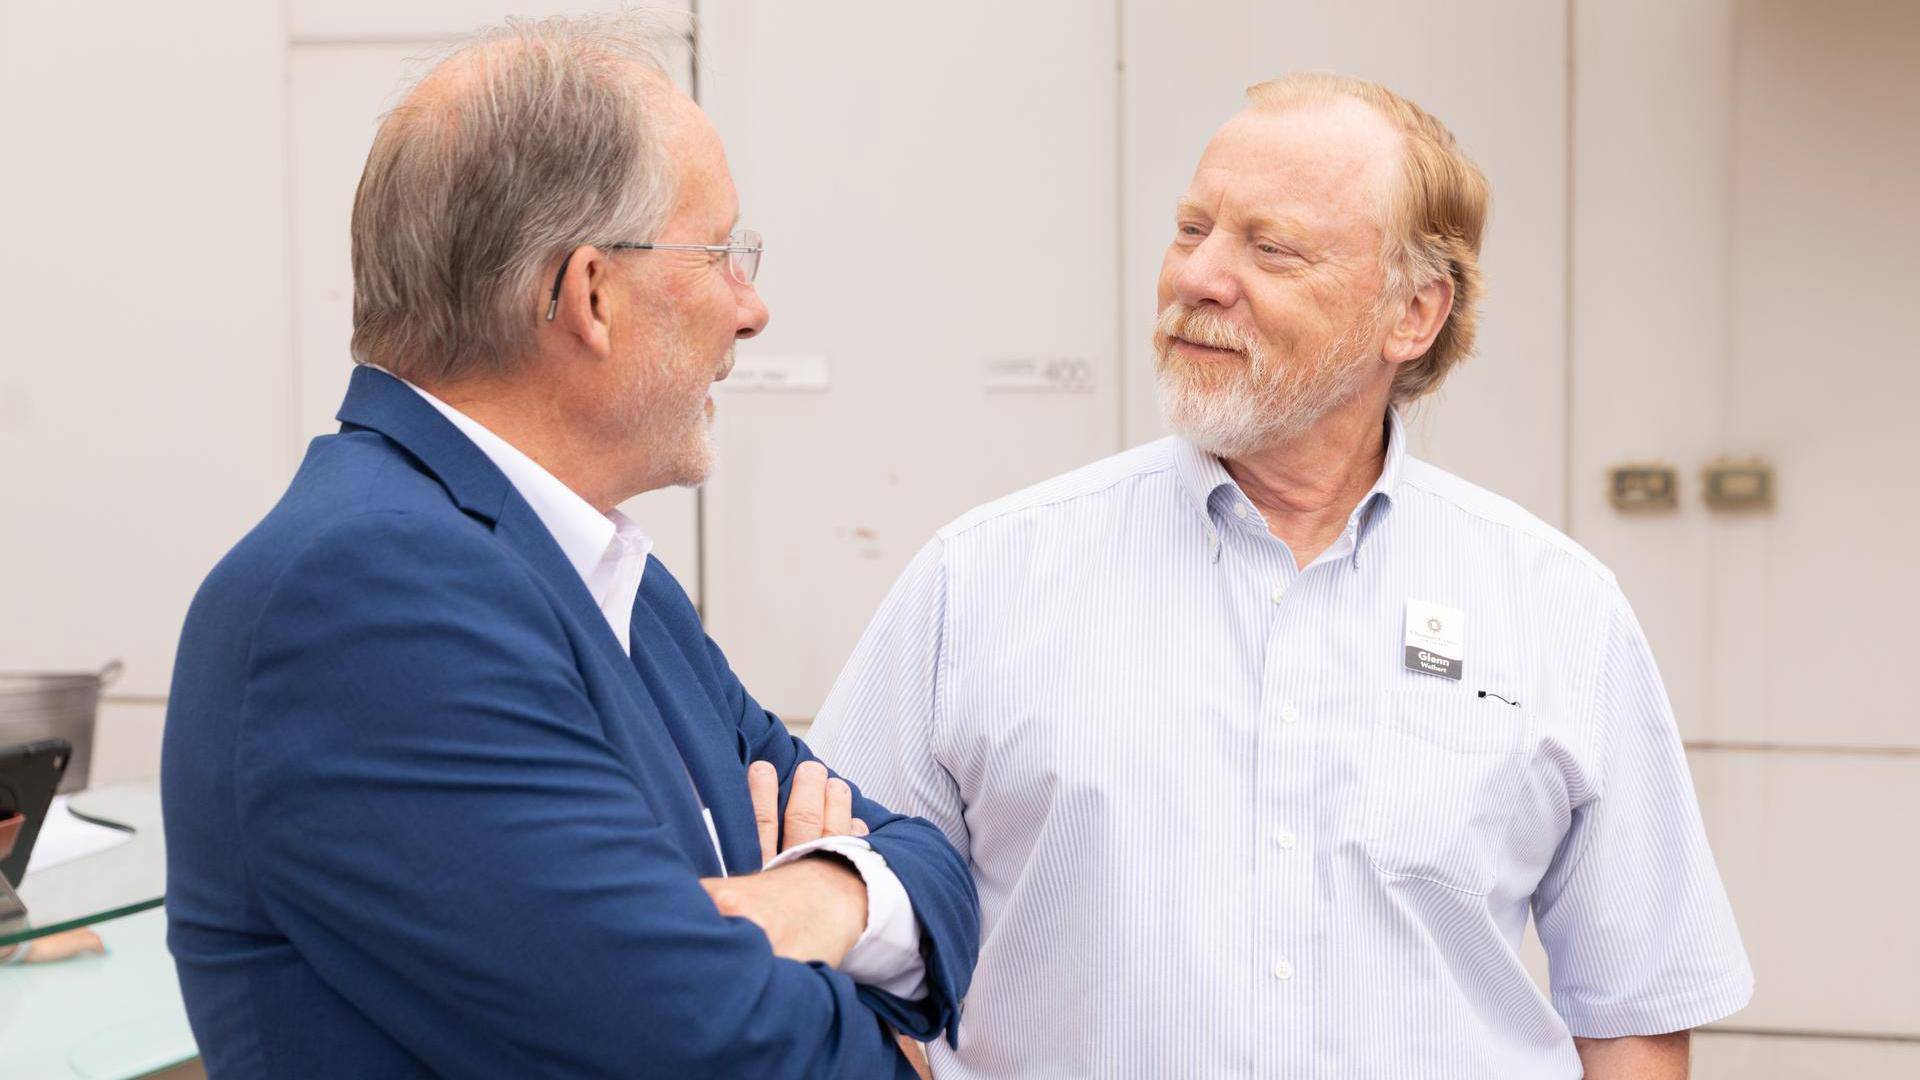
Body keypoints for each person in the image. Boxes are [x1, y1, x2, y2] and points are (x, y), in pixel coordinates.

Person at [809, 72, 1750, 1078]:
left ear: (1413, 316)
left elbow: (1636, 1012)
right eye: (1190, 229)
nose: (1199, 277)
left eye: (1272, 247)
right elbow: (840, 943)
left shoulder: (1559, 609)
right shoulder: (981, 580)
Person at [161, 13, 974, 1077]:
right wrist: (883, 1038)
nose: (753, 308)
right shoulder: (368, 600)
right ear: (589, 291)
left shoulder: (607, 581)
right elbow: (693, 1047)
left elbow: (934, 868)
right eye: (724, 254)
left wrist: (823, 893)